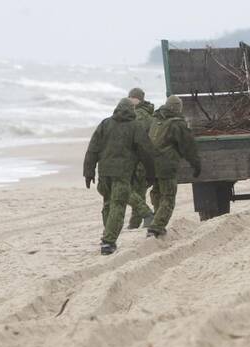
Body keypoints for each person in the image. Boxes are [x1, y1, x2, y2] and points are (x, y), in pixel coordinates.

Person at [83, 98, 157, 255]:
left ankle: (108, 235)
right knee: (118, 205)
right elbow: (146, 152)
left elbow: (92, 150)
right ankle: (108, 242)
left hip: (104, 173)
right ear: (131, 110)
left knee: (108, 204)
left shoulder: (105, 124)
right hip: (122, 174)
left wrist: (88, 172)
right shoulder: (135, 126)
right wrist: (151, 174)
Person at [146, 95, 202, 238]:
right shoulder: (177, 124)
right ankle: (156, 227)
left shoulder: (155, 120)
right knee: (168, 197)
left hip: (151, 165)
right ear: (178, 108)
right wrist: (196, 164)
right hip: (166, 166)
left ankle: (157, 224)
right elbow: (188, 147)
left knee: (157, 193)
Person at [126, 87, 156, 229]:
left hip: (139, 159)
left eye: (130, 98)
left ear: (135, 99)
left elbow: (136, 137)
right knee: (139, 191)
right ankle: (135, 222)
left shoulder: (139, 115)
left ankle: (146, 216)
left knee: (130, 191)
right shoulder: (149, 114)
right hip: (146, 159)